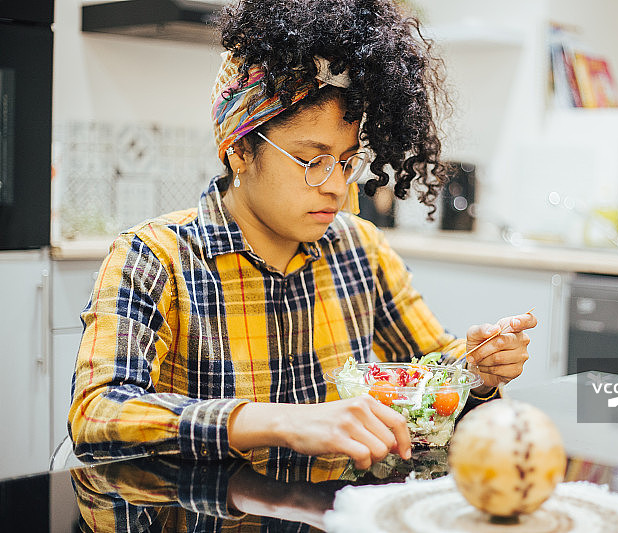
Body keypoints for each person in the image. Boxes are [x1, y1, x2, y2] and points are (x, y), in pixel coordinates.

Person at [68, 0, 537, 481]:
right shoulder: (155, 258)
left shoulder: (360, 249)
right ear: (240, 149)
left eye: (347, 161)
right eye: (313, 160)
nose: (337, 186)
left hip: (331, 510)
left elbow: (434, 369)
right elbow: (97, 413)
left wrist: (478, 371)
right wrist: (281, 422)